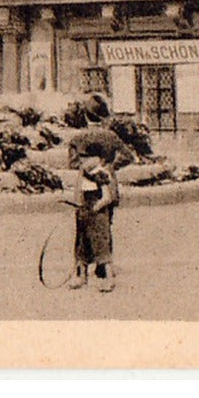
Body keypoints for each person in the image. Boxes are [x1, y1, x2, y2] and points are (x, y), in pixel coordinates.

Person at [67, 157, 119, 293]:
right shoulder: (83, 176)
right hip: (84, 212)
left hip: (97, 215)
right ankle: (82, 276)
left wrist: (96, 207)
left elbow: (107, 197)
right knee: (81, 245)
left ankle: (109, 279)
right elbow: (80, 195)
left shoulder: (100, 175)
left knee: (100, 246)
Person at [67, 94, 137, 171]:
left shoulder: (77, 139)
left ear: (86, 116)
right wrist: (112, 166)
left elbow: (73, 166)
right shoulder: (111, 136)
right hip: (107, 178)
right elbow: (129, 157)